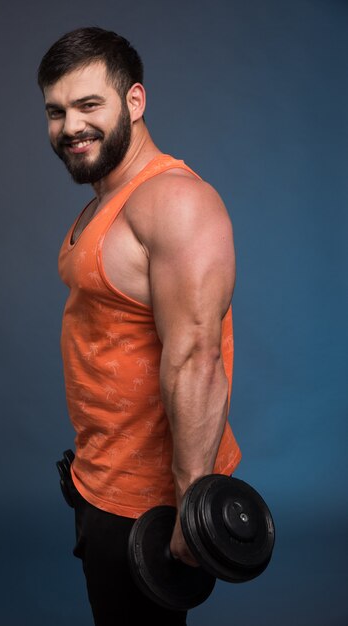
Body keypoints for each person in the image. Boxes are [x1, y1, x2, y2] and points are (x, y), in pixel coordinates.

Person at [38, 27, 241, 626]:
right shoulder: (109, 196)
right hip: (98, 476)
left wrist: (191, 507)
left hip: (146, 505)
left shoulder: (174, 202)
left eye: (88, 105)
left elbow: (197, 359)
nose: (70, 126)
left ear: (134, 101)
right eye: (56, 111)